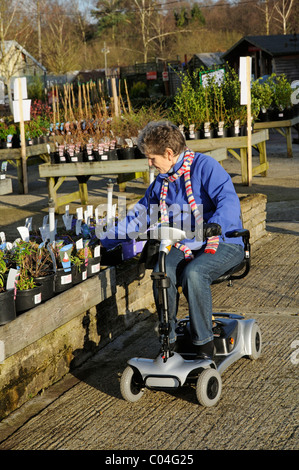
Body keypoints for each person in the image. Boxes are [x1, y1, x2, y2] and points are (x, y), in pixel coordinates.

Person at [100, 121, 244, 360]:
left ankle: (204, 345)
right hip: (187, 243)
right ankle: (170, 342)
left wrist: (213, 226)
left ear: (168, 153)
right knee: (162, 271)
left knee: (194, 273)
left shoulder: (205, 166)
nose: (149, 163)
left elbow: (228, 200)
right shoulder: (161, 182)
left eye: (152, 158)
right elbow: (139, 215)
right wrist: (105, 241)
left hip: (224, 240)